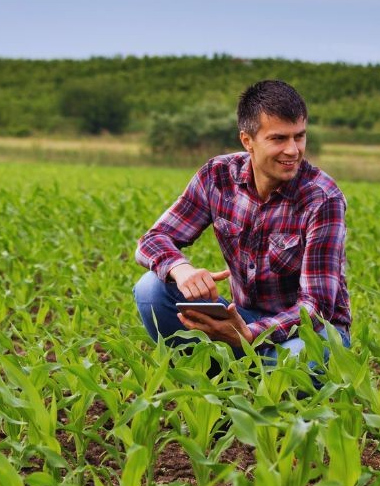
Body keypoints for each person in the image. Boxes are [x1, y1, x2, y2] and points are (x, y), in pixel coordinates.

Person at [133, 80, 351, 367]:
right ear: (247, 141)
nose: (293, 150)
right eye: (278, 139)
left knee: (296, 361)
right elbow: (152, 240)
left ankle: (249, 372)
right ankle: (212, 379)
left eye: (299, 136)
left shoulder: (322, 198)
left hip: (311, 332)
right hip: (242, 317)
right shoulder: (218, 176)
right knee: (152, 289)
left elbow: (316, 307)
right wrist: (180, 269)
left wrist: (248, 335)